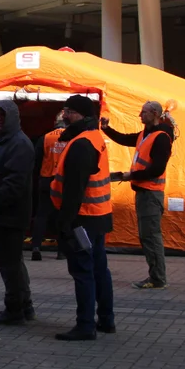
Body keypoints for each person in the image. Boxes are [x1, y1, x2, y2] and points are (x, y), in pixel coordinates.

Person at [50, 95, 114, 341]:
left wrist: (65, 223)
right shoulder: (94, 138)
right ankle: (106, 320)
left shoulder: (81, 143)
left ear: (84, 115)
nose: (65, 116)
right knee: (99, 270)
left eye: (70, 112)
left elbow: (74, 189)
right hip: (97, 217)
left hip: (82, 220)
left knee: (83, 272)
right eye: (65, 110)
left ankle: (85, 325)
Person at [101, 101, 176, 290]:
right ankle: (156, 276)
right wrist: (106, 128)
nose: (140, 115)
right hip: (144, 191)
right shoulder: (146, 134)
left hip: (151, 192)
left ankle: (158, 278)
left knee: (151, 236)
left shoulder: (161, 137)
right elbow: (125, 139)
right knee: (147, 236)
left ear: (154, 113)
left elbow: (157, 169)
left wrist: (131, 175)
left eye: (143, 112)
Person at [0, 101, 36, 325]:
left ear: (13, 117)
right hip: (4, 212)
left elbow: (14, 183)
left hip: (10, 214)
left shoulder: (19, 144)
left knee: (9, 263)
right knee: (13, 262)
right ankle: (23, 305)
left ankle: (14, 308)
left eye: (1, 116)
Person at [30, 113, 67, 261]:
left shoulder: (45, 138)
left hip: (46, 180)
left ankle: (36, 247)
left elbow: (37, 160)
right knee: (62, 216)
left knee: (41, 215)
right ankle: (62, 251)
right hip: (63, 181)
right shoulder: (72, 138)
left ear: (54, 122)